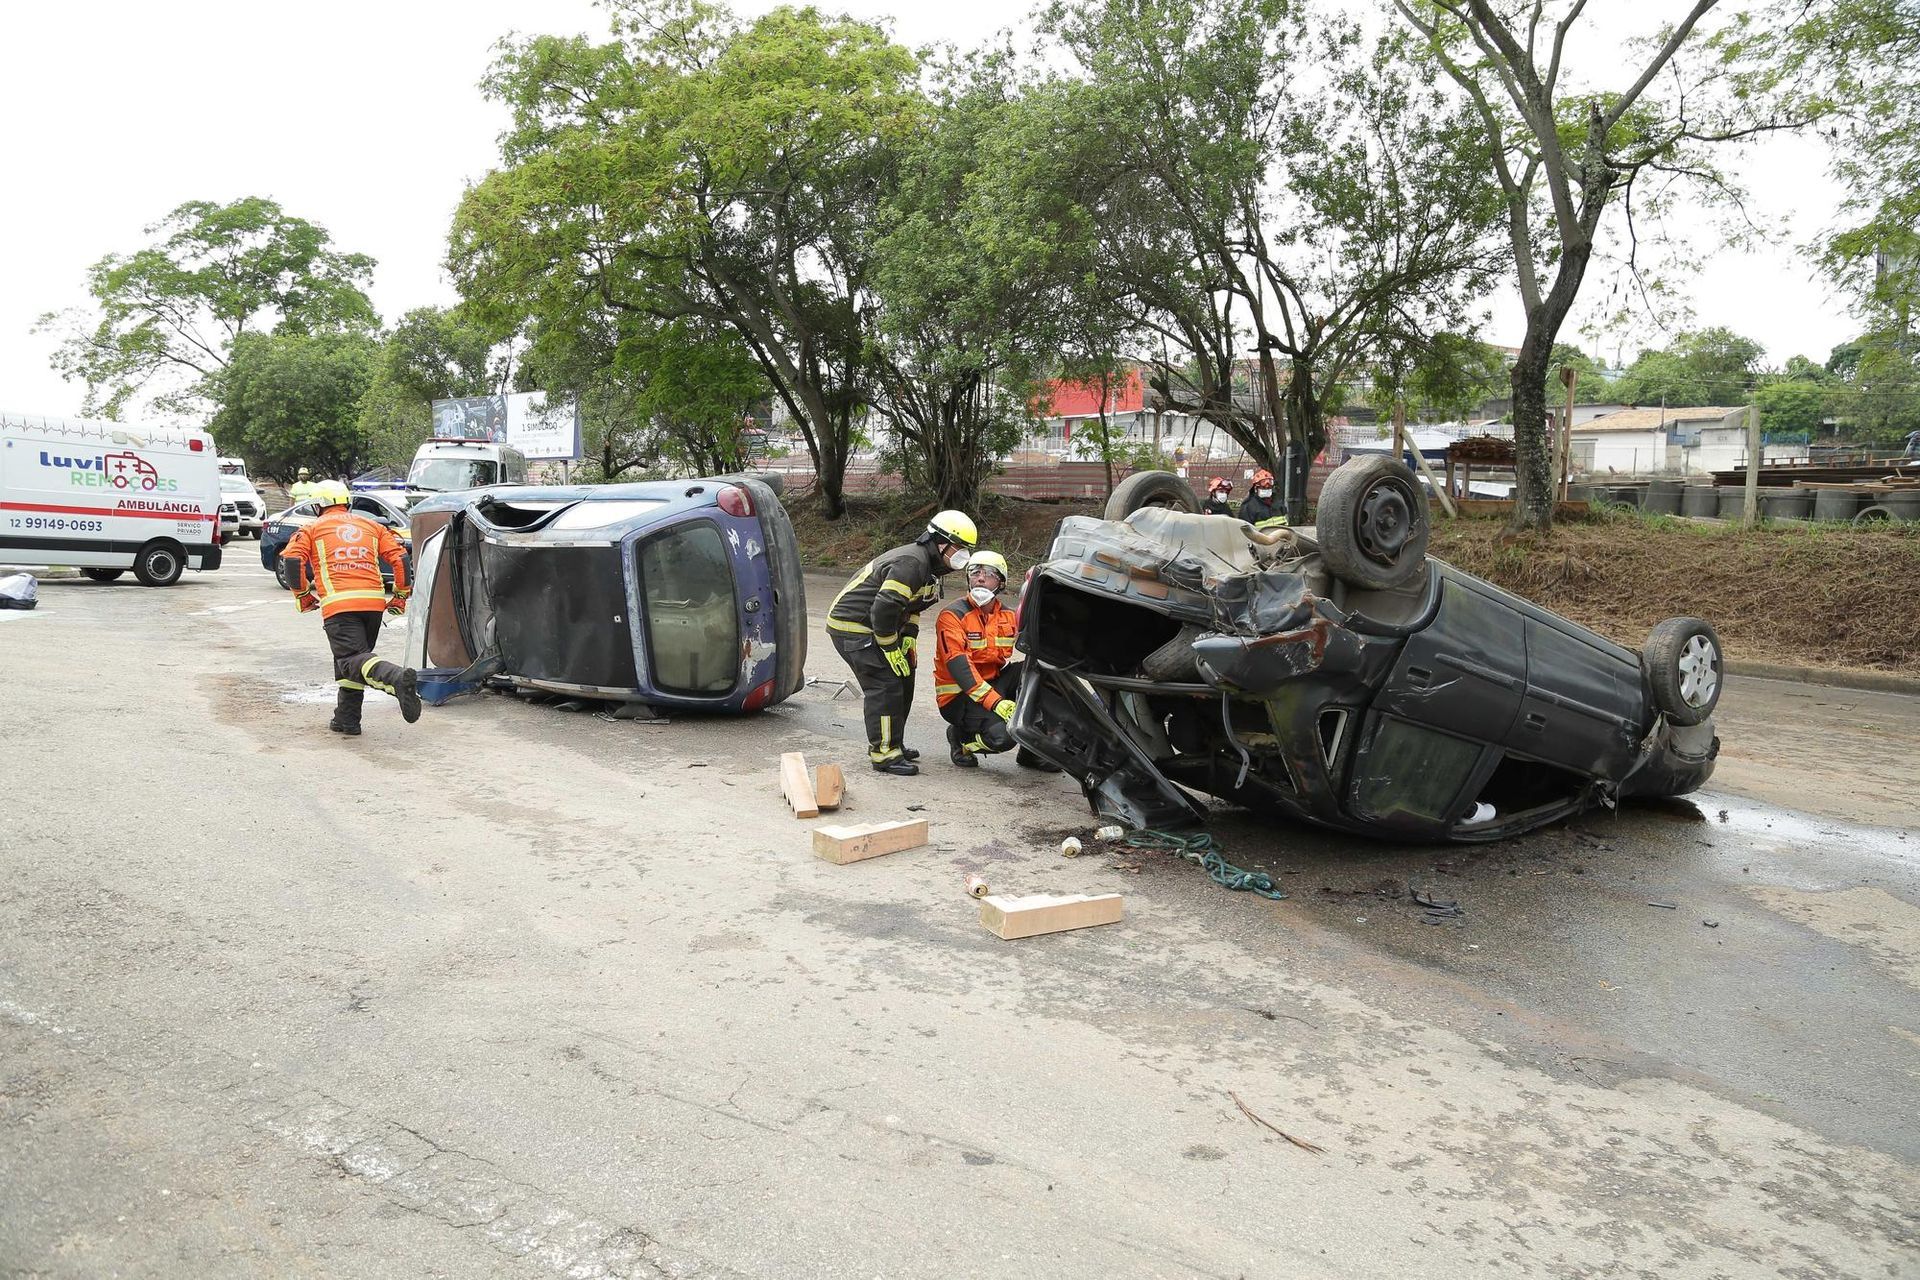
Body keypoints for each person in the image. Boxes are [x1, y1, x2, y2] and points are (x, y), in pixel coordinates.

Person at [828, 509, 977, 775]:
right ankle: (884, 755)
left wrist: (908, 637)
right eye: (959, 547)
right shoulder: (912, 563)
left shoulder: (931, 568)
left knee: (904, 679)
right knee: (884, 685)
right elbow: (884, 607)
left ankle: (893, 742)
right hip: (854, 628)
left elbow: (912, 607)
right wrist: (888, 645)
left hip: (879, 628)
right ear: (939, 541)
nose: (962, 555)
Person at [279, 480, 422, 736]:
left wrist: (302, 595)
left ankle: (396, 678)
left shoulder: (311, 529)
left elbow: (292, 560)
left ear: (318, 506)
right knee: (355, 659)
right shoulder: (372, 526)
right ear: (347, 503)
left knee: (350, 659)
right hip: (373, 605)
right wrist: (400, 596)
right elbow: (400, 558)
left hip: (339, 604)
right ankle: (346, 719)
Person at [934, 550, 1060, 771]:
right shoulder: (952, 616)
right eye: (975, 572)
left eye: (989, 573)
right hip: (958, 697)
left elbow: (1039, 641)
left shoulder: (1008, 616)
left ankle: (1032, 753)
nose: (980, 578)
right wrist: (997, 703)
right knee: (1003, 736)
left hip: (993, 683)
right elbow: (961, 670)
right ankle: (961, 740)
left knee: (1043, 674)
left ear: (1001, 582)